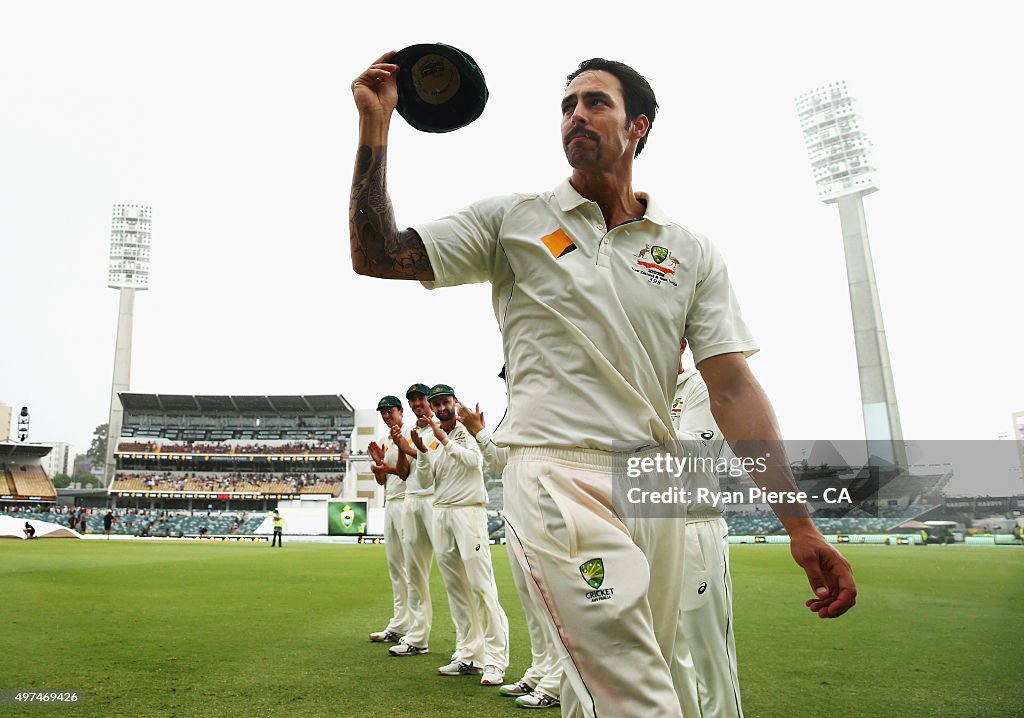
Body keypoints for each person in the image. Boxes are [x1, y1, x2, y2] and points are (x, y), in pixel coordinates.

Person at [350, 54, 856, 717]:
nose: (576, 115)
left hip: (654, 479)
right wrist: (375, 126)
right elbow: (377, 253)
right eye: (567, 106)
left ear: (638, 126)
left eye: (595, 103)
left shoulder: (688, 250)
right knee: (635, 689)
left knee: (644, 679)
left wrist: (799, 523)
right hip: (558, 470)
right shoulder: (513, 220)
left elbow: (732, 389)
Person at [458, 399, 562, 710]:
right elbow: (501, 461)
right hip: (518, 517)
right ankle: (540, 669)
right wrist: (480, 433)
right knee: (531, 602)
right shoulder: (514, 410)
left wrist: (478, 433)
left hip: (545, 514)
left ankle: (557, 681)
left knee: (551, 603)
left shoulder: (549, 405)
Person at [407, 384, 509, 686]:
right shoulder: (430, 437)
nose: (440, 408)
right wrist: (424, 452)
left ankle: (495, 660)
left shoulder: (466, 430)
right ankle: (468, 655)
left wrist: (443, 440)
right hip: (441, 512)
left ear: (455, 402)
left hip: (469, 512)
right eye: (436, 404)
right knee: (456, 588)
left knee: (481, 586)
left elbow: (474, 463)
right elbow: (425, 479)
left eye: (445, 402)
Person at [671, 340, 742, 718]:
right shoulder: (636, 389)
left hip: (695, 525)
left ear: (682, 342)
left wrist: (645, 417)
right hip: (650, 529)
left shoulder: (697, 386)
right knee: (666, 649)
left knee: (709, 649)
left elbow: (700, 450)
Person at [387, 383, 438, 658]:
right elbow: (405, 474)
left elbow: (434, 461)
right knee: (415, 574)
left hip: (436, 501)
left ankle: (475, 650)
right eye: (413, 400)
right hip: (412, 500)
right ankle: (417, 638)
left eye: (421, 398)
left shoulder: (439, 427)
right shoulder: (412, 432)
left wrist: (407, 446)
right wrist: (400, 446)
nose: (417, 403)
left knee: (461, 575)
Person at [366, 395, 412, 644]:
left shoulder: (410, 432)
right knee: (395, 566)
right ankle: (399, 624)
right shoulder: (384, 440)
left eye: (390, 411)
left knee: (410, 567)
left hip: (408, 501)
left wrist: (386, 467)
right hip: (391, 502)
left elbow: (408, 474)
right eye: (383, 413)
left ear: (400, 411)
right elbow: (382, 481)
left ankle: (413, 628)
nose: (386, 416)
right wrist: (378, 465)